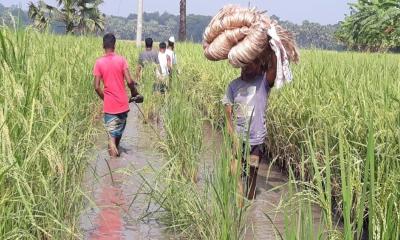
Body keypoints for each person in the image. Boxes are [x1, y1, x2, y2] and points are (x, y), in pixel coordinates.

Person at [222, 55, 277, 200]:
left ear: (258, 64)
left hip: (255, 141)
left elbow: (274, 69)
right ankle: (239, 205)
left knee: (252, 174)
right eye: (244, 64)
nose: (246, 67)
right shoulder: (233, 86)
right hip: (238, 138)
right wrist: (233, 138)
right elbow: (228, 117)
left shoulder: (264, 82)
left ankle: (250, 200)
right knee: (235, 172)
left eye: (250, 63)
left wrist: (273, 45)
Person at [93, 33, 139, 158]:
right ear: (114, 45)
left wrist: (105, 98)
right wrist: (134, 92)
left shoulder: (99, 62)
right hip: (123, 105)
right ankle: (117, 165)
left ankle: (112, 170)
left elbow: (96, 86)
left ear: (103, 45)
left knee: (112, 137)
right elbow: (130, 81)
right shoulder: (121, 60)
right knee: (118, 134)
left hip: (110, 106)